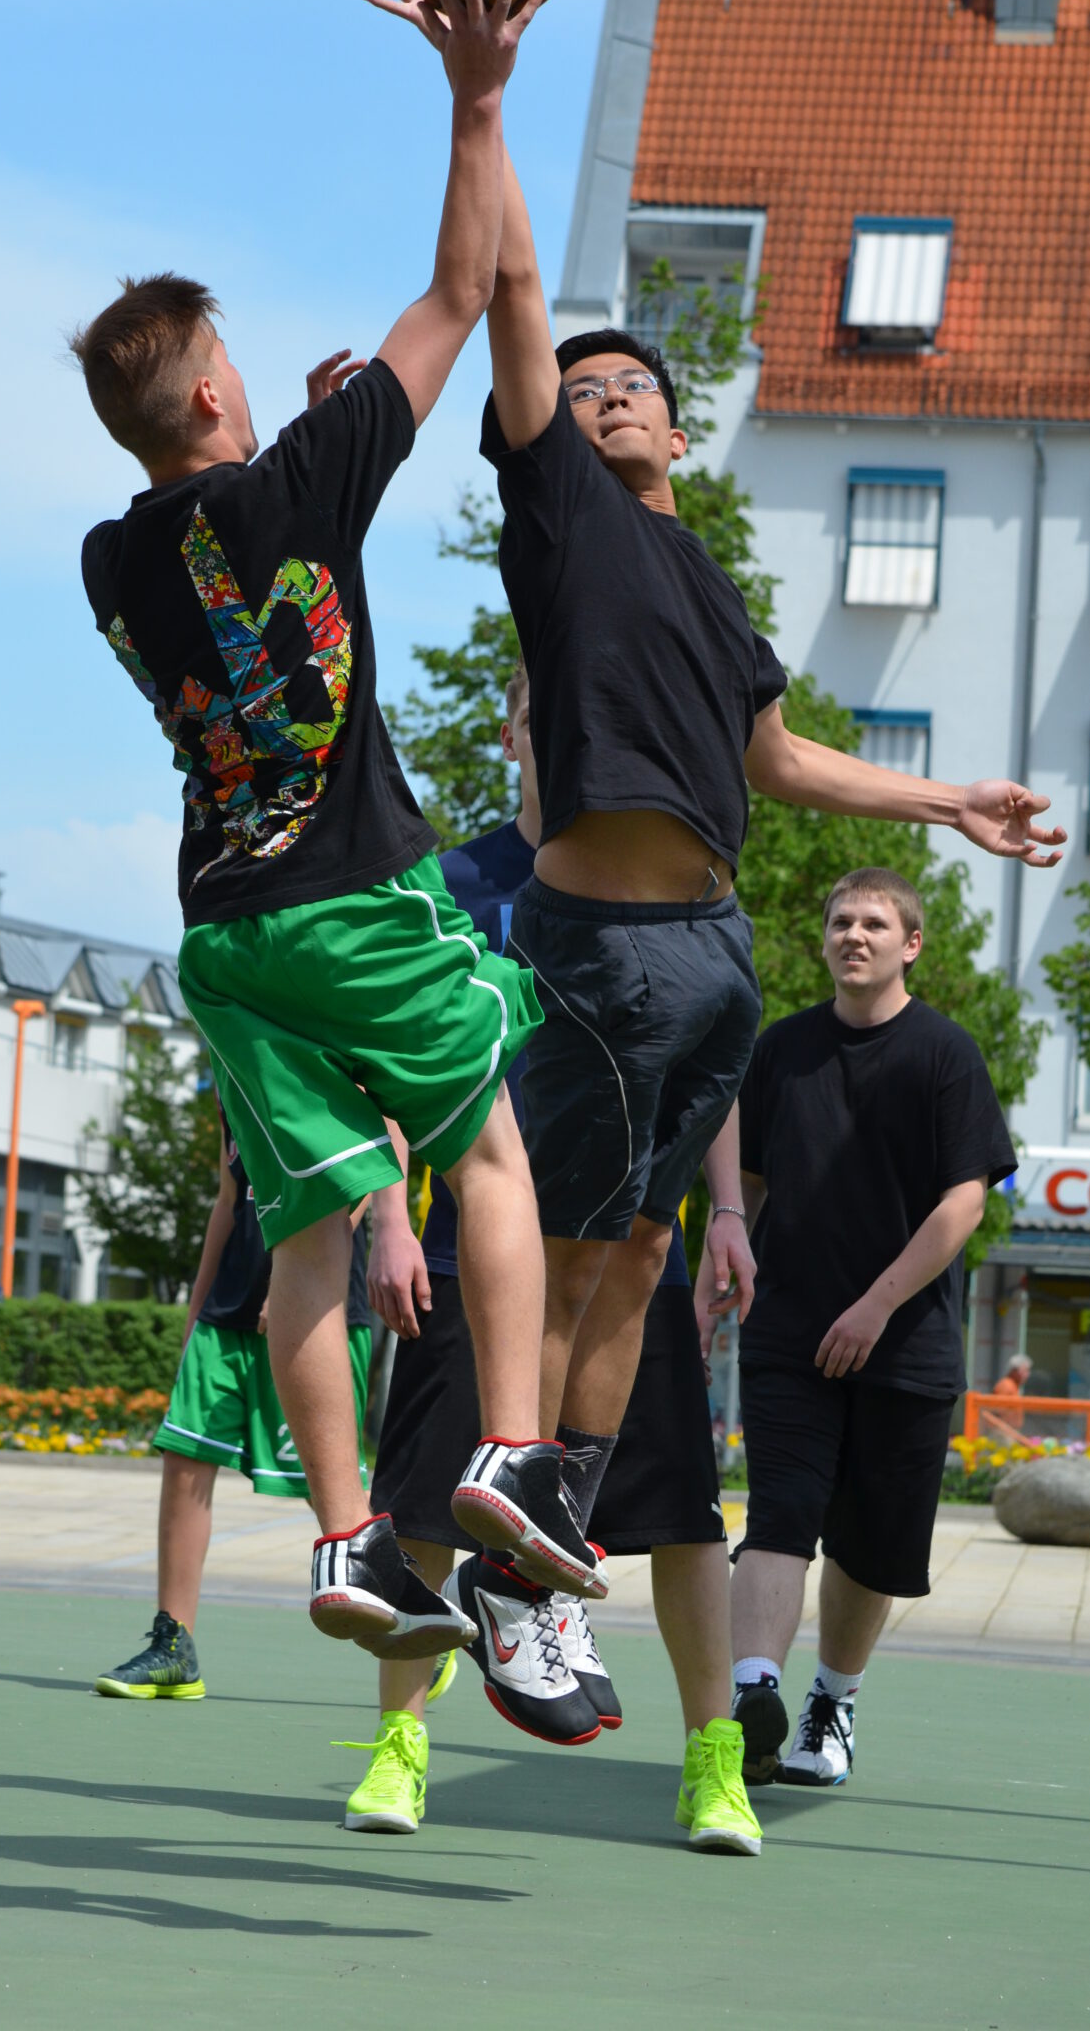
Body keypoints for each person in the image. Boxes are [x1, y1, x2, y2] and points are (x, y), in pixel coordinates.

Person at [362, 0, 1060, 1712]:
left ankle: (546, 1545)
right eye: (577, 394)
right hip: (600, 951)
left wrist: (950, 798)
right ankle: (498, 1558)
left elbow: (780, 761)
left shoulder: (700, 579)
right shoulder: (560, 525)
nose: (599, 402)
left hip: (710, 962)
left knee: (647, 1263)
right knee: (576, 1255)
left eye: (626, 392)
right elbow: (513, 288)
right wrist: (481, 95)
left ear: (676, 430)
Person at [71, 0, 601, 1664]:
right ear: (217, 390)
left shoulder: (108, 557)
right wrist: (479, 85)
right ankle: (514, 1455)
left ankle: (349, 1538)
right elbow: (460, 283)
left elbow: (235, 582)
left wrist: (303, 458)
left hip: (223, 934)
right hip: (356, 897)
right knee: (490, 1151)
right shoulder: (307, 478)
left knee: (305, 1234)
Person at [346, 668, 758, 1853]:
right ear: (519, 726)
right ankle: (398, 1748)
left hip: (632, 1244)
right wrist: (383, 1208)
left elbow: (703, 1060)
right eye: (550, 711)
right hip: (475, 1246)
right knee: (423, 1507)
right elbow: (385, 1054)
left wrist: (725, 1207)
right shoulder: (452, 884)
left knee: (680, 1516)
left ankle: (712, 1760)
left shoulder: (667, 883)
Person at [703, 869, 1016, 1786]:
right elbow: (745, 1181)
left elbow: (965, 1200)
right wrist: (712, 1266)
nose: (853, 935)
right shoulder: (782, 1050)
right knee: (779, 1516)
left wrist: (876, 1305)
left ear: (910, 944)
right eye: (840, 920)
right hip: (788, 1333)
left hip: (905, 1343)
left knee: (870, 1544)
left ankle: (829, 1707)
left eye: (874, 923)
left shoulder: (944, 1055)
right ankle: (750, 1696)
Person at [94, 1120, 376, 1699]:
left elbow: (363, 1183)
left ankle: (407, 1614)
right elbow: (228, 1200)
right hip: (228, 1313)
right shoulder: (233, 1064)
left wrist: (293, 1281)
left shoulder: (345, 1046)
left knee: (330, 1484)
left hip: (317, 1308)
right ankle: (174, 1644)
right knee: (184, 1458)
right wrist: (197, 1308)